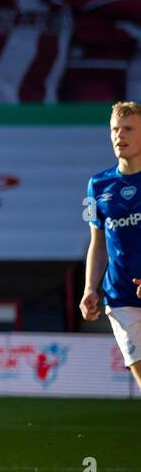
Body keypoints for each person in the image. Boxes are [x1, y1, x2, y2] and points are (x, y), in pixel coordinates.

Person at [82, 101, 141, 392]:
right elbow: (97, 244)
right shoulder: (97, 185)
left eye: (128, 129)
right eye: (115, 129)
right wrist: (90, 288)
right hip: (121, 298)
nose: (120, 135)